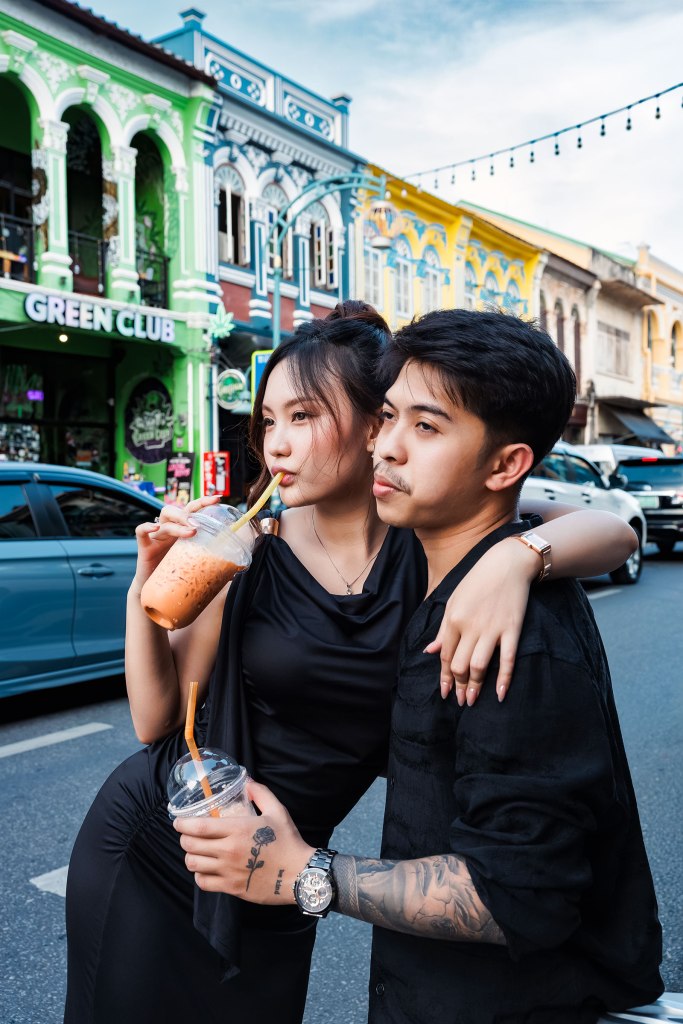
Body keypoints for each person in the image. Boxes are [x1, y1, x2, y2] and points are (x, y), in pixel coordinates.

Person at [64, 303, 638, 1024]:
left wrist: (516, 561)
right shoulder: (245, 541)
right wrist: (144, 588)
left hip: (282, 860)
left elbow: (609, 528)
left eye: (302, 416)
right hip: (169, 844)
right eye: (267, 421)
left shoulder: (428, 533)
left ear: (374, 422)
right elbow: (155, 721)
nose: (275, 445)